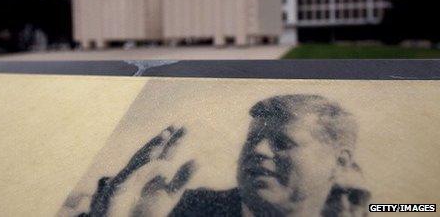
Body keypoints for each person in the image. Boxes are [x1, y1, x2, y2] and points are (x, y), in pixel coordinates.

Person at [76, 95, 370, 216]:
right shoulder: (177, 210)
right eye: (253, 139)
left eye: (282, 142)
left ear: (339, 163)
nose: (257, 150)